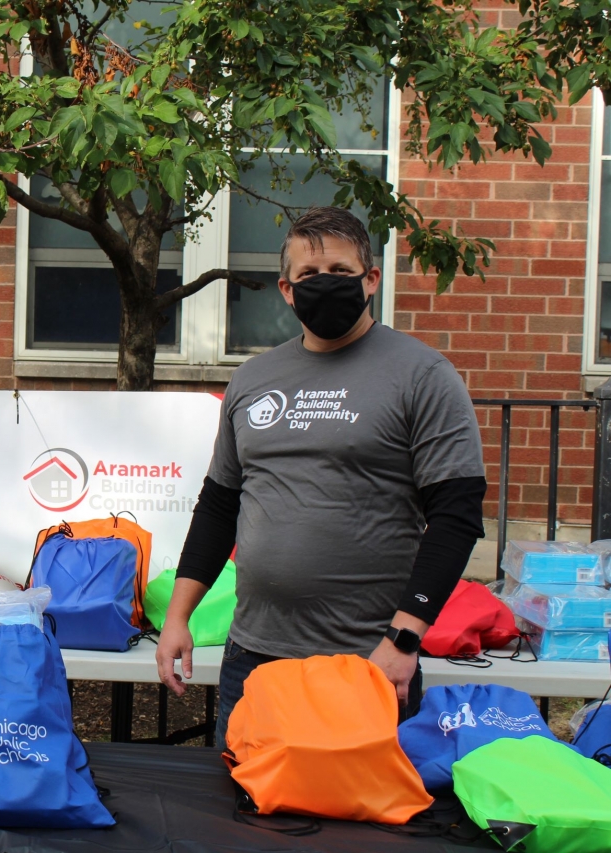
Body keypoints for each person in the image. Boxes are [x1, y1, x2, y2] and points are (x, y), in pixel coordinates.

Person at [155, 207, 486, 744]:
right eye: (308, 274)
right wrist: (178, 618)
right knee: (240, 795)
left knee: (361, 801)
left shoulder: (423, 375)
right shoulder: (253, 379)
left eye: (339, 270)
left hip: (368, 660)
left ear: (371, 279)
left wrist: (404, 640)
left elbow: (456, 515)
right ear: (287, 290)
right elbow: (219, 507)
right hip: (253, 659)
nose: (324, 282)